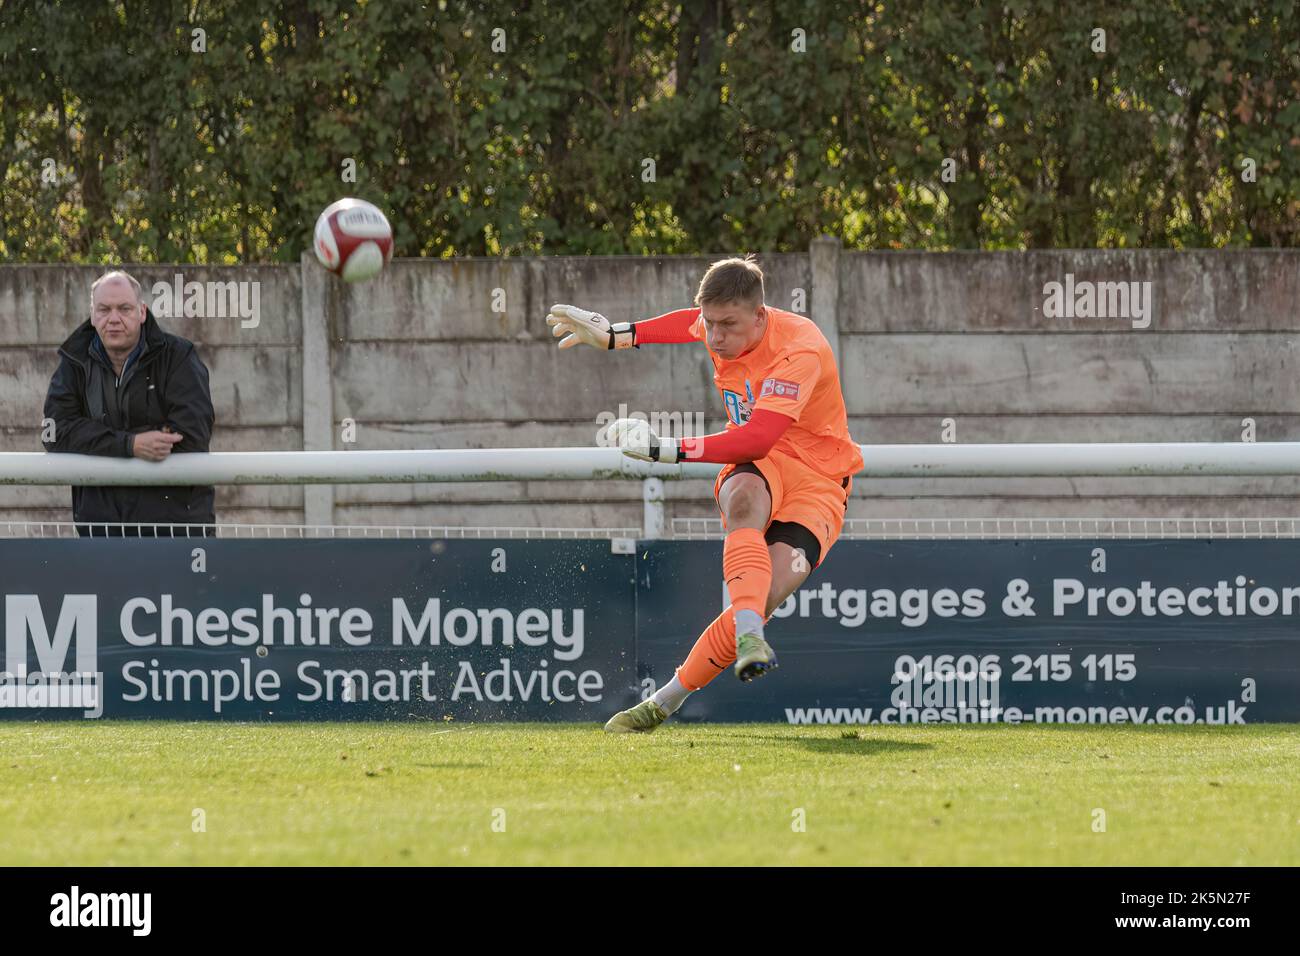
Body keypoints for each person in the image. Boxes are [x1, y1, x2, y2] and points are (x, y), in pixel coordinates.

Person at [545, 254, 864, 732]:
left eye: (727, 326)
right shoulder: (721, 327)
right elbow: (684, 324)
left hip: (820, 482)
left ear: (761, 315)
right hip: (766, 466)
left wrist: (664, 449)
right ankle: (752, 637)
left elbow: (757, 437)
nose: (714, 338)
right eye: (710, 324)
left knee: (761, 596)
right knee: (743, 500)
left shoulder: (800, 350)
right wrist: (617, 335)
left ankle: (664, 702)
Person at [42, 270, 217, 537]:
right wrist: (130, 445)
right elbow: (54, 433)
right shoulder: (74, 361)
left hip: (176, 530)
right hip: (101, 531)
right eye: (104, 309)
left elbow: (191, 436)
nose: (113, 319)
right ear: (92, 314)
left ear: (142, 312)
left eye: (124, 308)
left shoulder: (178, 356)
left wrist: (93, 437)